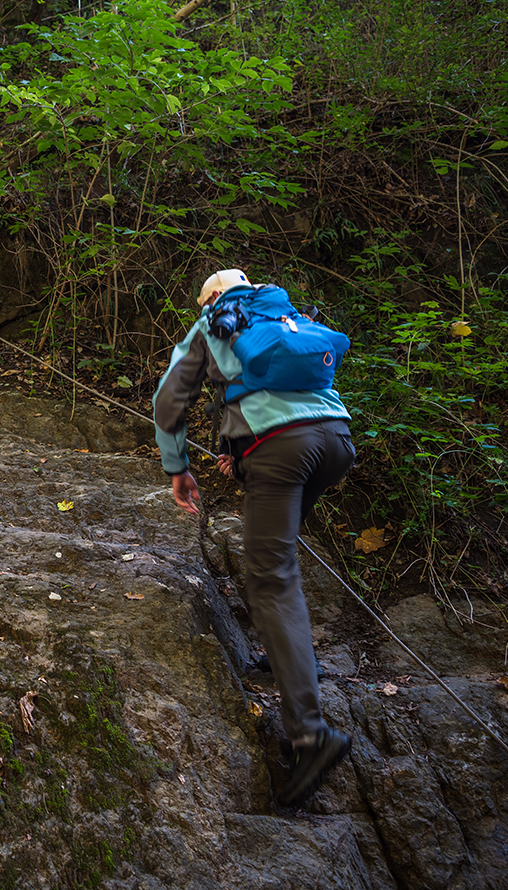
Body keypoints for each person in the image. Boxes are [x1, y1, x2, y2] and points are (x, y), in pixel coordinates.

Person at [152, 267, 357, 807]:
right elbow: (280, 393)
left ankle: (311, 734)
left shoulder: (212, 322)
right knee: (276, 561)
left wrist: (179, 467)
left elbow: (169, 401)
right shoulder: (284, 312)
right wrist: (240, 449)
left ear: (212, 298)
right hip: (335, 441)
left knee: (270, 576)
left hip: (284, 449)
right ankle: (281, 653)